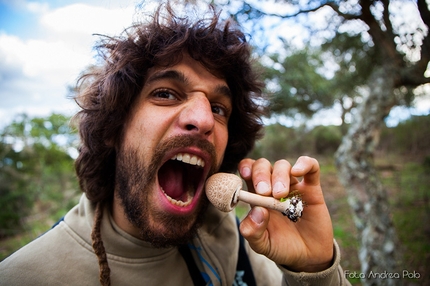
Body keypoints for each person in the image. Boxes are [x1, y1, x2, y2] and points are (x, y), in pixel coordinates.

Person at [0, 3, 350, 286]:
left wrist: (315, 270)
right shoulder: (26, 277)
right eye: (165, 93)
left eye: (218, 108)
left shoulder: (238, 239)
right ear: (115, 126)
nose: (203, 120)